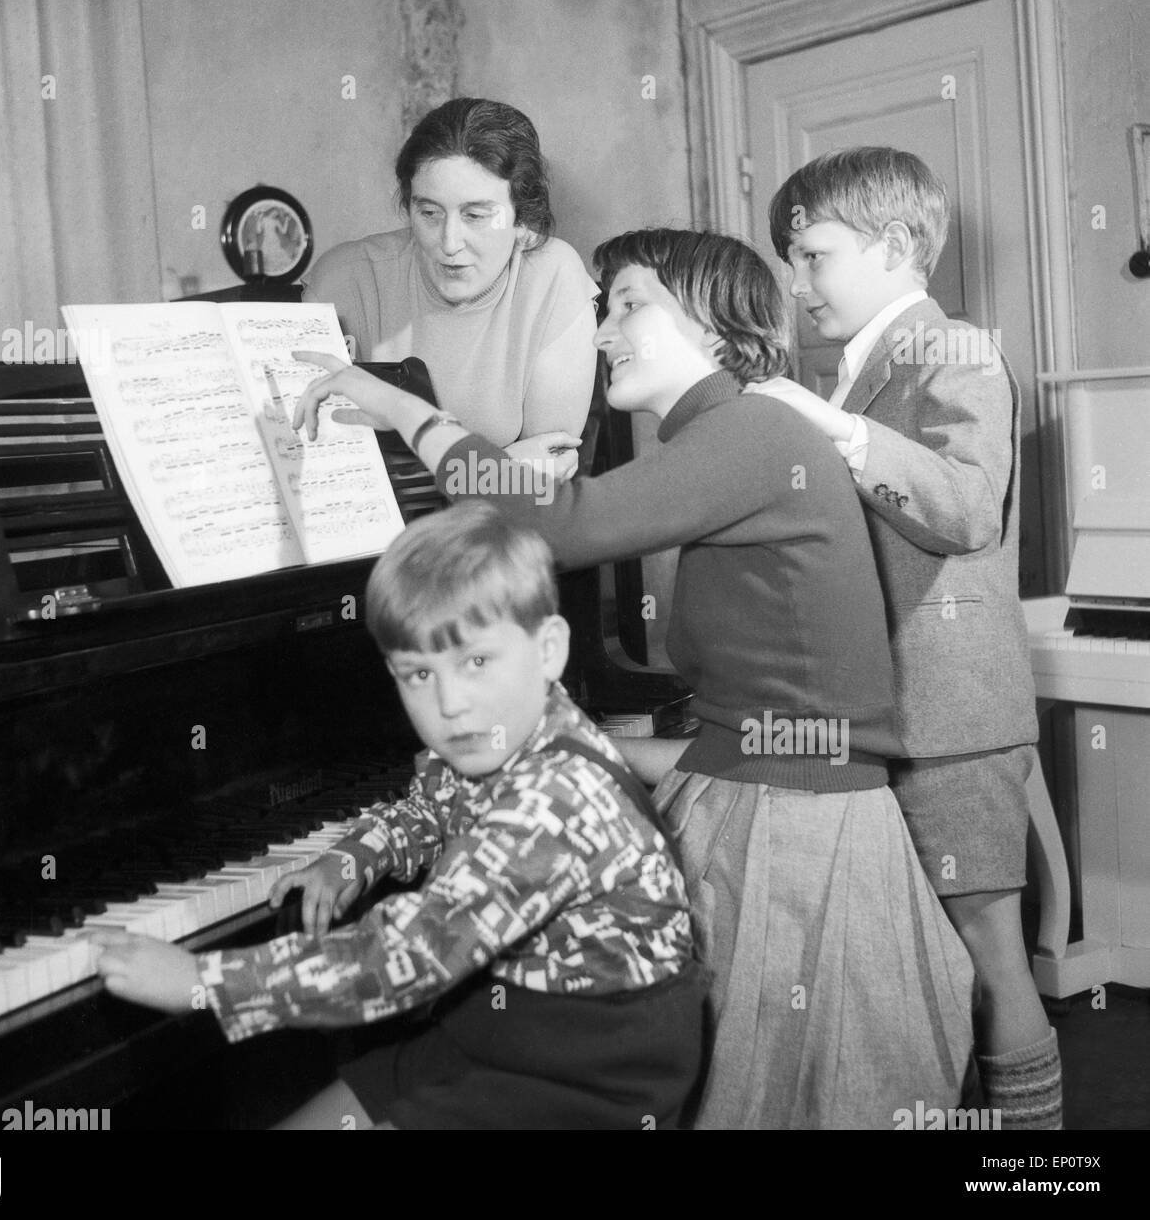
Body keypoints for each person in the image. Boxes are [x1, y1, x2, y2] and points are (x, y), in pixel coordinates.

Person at [289, 227, 976, 1130]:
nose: (604, 333)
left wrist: (405, 409)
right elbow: (751, 715)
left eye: (628, 308)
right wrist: (606, 748)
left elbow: (563, 525)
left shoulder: (757, 429)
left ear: (712, 320)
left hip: (796, 838)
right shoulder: (725, 435)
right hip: (755, 801)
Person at [91, 504, 703, 1130]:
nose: (450, 705)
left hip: (591, 1075)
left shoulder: (555, 802)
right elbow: (430, 806)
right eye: (417, 673)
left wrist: (202, 981)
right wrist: (355, 855)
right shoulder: (502, 733)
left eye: (476, 662)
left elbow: (407, 954)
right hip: (502, 1027)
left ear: (548, 650)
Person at [751, 146, 1062, 1130]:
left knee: (988, 958)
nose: (796, 285)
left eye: (812, 256)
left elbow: (968, 511)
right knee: (927, 969)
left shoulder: (954, 349)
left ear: (892, 246)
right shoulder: (850, 373)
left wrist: (834, 433)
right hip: (884, 715)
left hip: (949, 719)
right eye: (790, 261)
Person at [300, 97, 598, 474]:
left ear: (520, 215)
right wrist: (500, 466)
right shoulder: (344, 281)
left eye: (475, 215)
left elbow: (547, 479)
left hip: (499, 531)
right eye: (429, 213)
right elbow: (314, 463)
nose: (449, 242)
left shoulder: (552, 275)